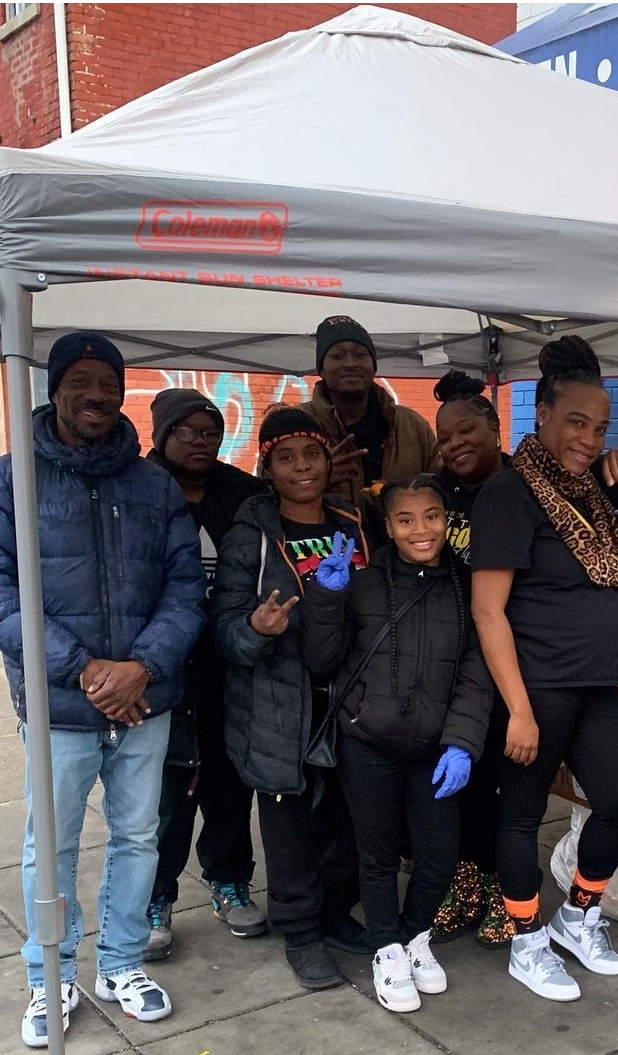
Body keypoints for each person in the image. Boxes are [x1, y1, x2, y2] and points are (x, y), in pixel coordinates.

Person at [0, 331, 206, 1047]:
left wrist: (141, 667)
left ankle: (121, 962)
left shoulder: (154, 484)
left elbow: (185, 586)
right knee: (52, 844)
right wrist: (83, 669)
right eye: (80, 382)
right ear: (54, 390)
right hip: (59, 703)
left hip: (145, 699)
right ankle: (51, 972)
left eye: (108, 383)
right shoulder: (8, 480)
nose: (96, 396)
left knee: (138, 835)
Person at [470, 336, 618, 1003]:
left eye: (600, 428)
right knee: (520, 816)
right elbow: (488, 610)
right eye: (576, 421)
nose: (588, 438)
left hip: (595, 682)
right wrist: (518, 709)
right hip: (537, 686)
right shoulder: (510, 493)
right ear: (541, 414)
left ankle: (576, 917)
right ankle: (526, 941)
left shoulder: (587, 489)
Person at [301, 475, 494, 1013]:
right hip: (369, 741)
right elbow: (322, 659)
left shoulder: (467, 586)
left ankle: (415, 938)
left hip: (435, 746)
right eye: (405, 520)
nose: (421, 530)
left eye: (431, 516)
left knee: (439, 855)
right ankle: (385, 947)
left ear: (446, 520)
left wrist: (462, 743)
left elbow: (476, 673)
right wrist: (326, 596)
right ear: (388, 526)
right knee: (378, 855)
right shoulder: (363, 584)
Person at [213, 406, 371, 991]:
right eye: (286, 457)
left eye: (311, 454)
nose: (302, 467)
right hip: (280, 706)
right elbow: (224, 632)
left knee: (346, 820)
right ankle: (301, 932)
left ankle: (335, 913)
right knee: (289, 828)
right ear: (268, 468)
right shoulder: (249, 537)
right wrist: (256, 629)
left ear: (328, 460)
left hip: (348, 701)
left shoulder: (353, 524)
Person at [143, 389, 269, 961]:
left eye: (210, 431)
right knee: (166, 797)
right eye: (187, 431)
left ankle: (229, 880)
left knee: (229, 784)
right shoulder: (141, 489)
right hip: (165, 671)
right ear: (163, 434)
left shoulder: (241, 493)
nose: (200, 441)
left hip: (230, 666)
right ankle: (155, 897)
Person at [425, 370, 515, 949]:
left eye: (466, 432)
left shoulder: (522, 488)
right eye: (444, 437)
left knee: (509, 785)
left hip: (510, 660)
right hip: (453, 663)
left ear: (494, 428)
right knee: (468, 785)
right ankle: (467, 884)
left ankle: (508, 888)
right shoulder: (437, 492)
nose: (455, 444)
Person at [300, 314, 440, 506]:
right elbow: (268, 495)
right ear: (321, 370)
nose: (350, 364)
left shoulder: (413, 426)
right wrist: (316, 480)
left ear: (374, 366)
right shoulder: (297, 425)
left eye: (360, 354)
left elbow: (441, 489)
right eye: (337, 356)